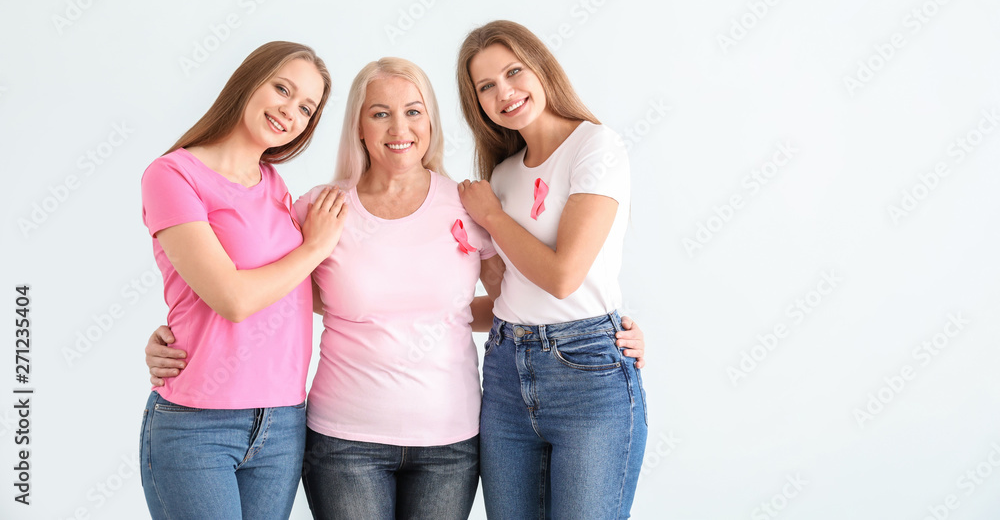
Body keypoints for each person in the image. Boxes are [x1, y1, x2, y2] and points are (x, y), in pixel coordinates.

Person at [144, 57, 648, 519]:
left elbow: (515, 301)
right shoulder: (321, 209)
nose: (399, 128)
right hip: (343, 439)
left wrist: (602, 329)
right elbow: (269, 288)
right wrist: (175, 336)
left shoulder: (470, 204)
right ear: (359, 127)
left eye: (413, 112)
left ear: (431, 122)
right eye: (380, 114)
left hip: (449, 440)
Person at [138, 41, 348, 520]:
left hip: (284, 421)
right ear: (249, 82)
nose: (290, 112)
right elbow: (232, 298)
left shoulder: (274, 185)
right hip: (198, 425)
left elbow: (291, 291)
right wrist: (315, 247)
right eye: (282, 89)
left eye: (306, 108)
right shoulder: (172, 175)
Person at [455, 20, 647, 519]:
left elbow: (563, 278)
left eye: (513, 72)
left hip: (587, 375)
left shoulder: (595, 146)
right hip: (505, 373)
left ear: (541, 67)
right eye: (486, 86)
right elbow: (511, 294)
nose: (504, 92)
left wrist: (492, 217)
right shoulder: (503, 174)